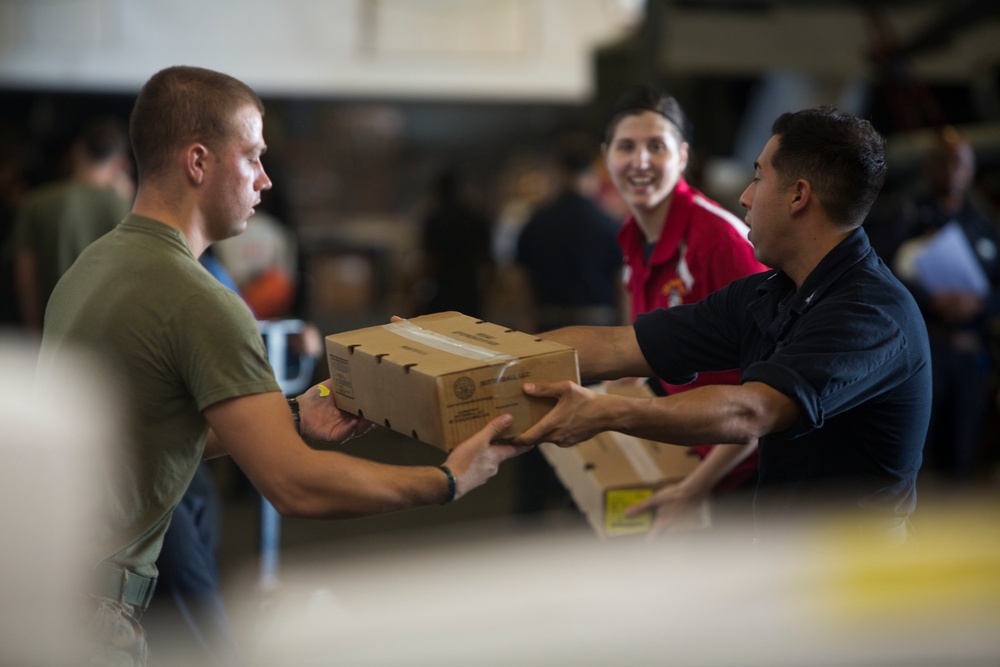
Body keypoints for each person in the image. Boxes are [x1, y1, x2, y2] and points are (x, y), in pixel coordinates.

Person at [35, 66, 526, 666]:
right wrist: (446, 480)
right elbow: (294, 484)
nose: (265, 179)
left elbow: (153, 430)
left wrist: (288, 416)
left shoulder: (91, 267)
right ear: (198, 162)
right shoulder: (202, 300)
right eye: (253, 157)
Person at [514, 106, 931, 546]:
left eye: (758, 177)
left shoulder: (869, 312)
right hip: (785, 553)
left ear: (798, 195)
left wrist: (606, 412)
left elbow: (752, 410)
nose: (746, 197)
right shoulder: (767, 293)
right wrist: (496, 362)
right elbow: (622, 346)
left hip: (856, 577)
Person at [598, 85, 769, 533]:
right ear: (607, 155)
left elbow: (770, 390)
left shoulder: (722, 241)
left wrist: (697, 487)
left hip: (743, 476)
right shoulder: (632, 241)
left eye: (657, 146)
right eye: (626, 146)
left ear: (683, 155)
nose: (640, 161)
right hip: (686, 454)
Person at [874, 128, 1000, 483]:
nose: (952, 171)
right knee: (914, 454)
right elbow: (878, 274)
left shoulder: (983, 226)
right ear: (930, 167)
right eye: (944, 162)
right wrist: (931, 299)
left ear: (971, 170)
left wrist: (979, 303)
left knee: (961, 457)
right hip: (923, 351)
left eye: (960, 163)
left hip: (970, 357)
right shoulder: (909, 216)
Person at [12, 116, 133, 332]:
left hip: (53, 336)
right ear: (120, 162)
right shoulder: (128, 209)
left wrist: (34, 334)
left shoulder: (36, 203)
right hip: (109, 339)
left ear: (77, 150)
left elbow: (26, 279)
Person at [514, 131, 624, 334]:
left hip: (548, 329)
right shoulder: (610, 225)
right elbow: (622, 289)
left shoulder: (535, 224)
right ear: (592, 172)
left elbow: (523, 288)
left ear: (558, 171)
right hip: (601, 330)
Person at [415, 167, 494, 318]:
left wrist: (416, 295)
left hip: (441, 295)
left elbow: (430, 262)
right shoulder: (475, 219)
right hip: (470, 294)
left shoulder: (436, 221)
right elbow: (489, 263)